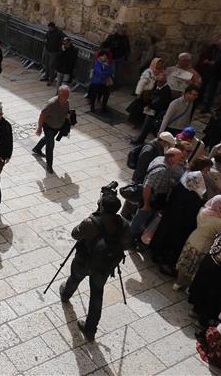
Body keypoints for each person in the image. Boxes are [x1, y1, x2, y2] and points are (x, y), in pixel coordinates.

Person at [59, 192, 130, 341]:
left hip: (84, 260)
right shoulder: (124, 225)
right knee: (97, 293)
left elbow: (74, 234)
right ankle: (90, 329)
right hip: (104, 267)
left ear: (102, 206)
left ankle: (66, 294)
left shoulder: (91, 222)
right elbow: (127, 244)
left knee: (75, 278)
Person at [149, 171, 207, 275]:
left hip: (169, 218)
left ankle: (155, 255)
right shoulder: (195, 196)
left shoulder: (180, 186)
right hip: (180, 225)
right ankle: (165, 263)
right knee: (172, 243)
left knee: (162, 237)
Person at [173, 195, 221, 290]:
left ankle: (177, 283)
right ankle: (190, 288)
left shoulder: (203, 211)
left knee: (185, 263)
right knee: (197, 268)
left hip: (193, 239)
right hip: (206, 246)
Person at [130, 147, 184, 239]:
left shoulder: (159, 158)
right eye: (179, 158)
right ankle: (131, 237)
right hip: (151, 199)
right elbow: (148, 187)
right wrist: (146, 205)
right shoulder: (161, 170)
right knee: (141, 218)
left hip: (153, 197)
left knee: (141, 218)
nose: (180, 161)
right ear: (170, 157)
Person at [33, 85, 71, 174]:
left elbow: (66, 113)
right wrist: (39, 128)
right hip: (48, 126)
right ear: (59, 94)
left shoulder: (67, 102)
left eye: (67, 95)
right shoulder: (51, 103)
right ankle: (49, 166)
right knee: (50, 145)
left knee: (47, 139)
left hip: (58, 126)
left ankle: (37, 149)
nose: (66, 98)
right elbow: (42, 115)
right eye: (64, 95)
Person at [196, 38, 221, 112]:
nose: (218, 46)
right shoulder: (213, 48)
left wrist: (216, 63)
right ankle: (198, 102)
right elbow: (205, 55)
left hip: (216, 74)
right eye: (217, 44)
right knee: (202, 88)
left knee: (211, 91)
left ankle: (207, 107)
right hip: (207, 71)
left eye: (220, 45)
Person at [131, 73, 172, 144]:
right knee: (148, 126)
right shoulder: (157, 87)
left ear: (165, 81)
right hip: (152, 110)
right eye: (157, 81)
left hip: (157, 112)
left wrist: (149, 105)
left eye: (160, 82)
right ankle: (141, 139)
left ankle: (141, 140)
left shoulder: (166, 90)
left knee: (150, 126)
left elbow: (159, 101)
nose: (158, 83)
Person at [88, 48, 115, 113]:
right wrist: (106, 73)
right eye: (103, 56)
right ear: (100, 56)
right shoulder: (97, 63)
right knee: (94, 94)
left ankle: (103, 107)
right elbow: (100, 73)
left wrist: (104, 73)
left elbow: (111, 71)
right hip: (96, 82)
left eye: (106, 56)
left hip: (104, 83)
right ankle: (92, 107)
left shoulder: (108, 63)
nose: (105, 57)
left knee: (107, 94)